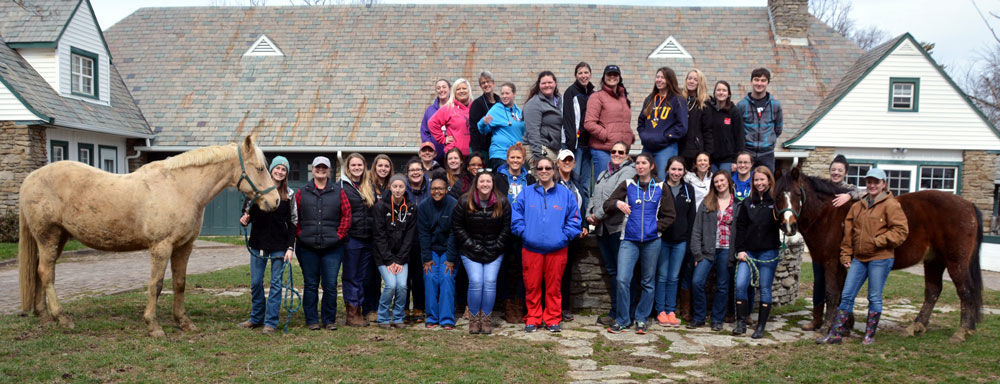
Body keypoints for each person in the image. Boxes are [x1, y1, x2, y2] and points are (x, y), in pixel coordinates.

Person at [818, 168, 908, 345]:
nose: (872, 185)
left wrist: (877, 241)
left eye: (876, 182)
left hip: (880, 258)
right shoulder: (858, 206)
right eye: (869, 182)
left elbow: (901, 231)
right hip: (859, 259)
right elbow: (848, 234)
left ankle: (869, 335)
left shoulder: (891, 205)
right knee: (847, 295)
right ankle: (836, 333)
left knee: (874, 297)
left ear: (884, 184)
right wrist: (846, 254)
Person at [604, 153, 676, 334]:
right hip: (629, 240)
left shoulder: (661, 186)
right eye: (637, 163)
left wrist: (655, 228)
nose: (640, 166)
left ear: (651, 166)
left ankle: (642, 319)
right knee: (622, 280)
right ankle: (622, 320)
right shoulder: (628, 184)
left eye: (644, 163)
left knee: (648, 282)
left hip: (652, 241)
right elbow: (607, 204)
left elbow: (670, 216)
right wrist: (618, 203)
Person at [512, 157, 583, 333]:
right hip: (531, 248)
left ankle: (552, 319)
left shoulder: (565, 194)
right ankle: (533, 318)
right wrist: (524, 233)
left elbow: (575, 220)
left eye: (548, 168)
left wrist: (564, 237)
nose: (544, 171)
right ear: (536, 171)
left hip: (557, 249)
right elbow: (516, 216)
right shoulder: (526, 193)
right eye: (540, 168)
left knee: (554, 287)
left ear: (554, 170)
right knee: (532, 286)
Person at [804, 154, 867, 331]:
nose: (836, 173)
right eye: (833, 170)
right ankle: (817, 317)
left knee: (840, 281)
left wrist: (849, 196)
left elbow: (866, 193)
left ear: (845, 172)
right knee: (819, 281)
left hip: (841, 241)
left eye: (840, 170)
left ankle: (842, 317)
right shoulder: (823, 188)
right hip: (822, 243)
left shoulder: (850, 189)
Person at [237, 155, 297, 334]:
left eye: (283, 169)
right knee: (256, 282)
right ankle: (256, 317)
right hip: (258, 243)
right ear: (271, 170)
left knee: (276, 284)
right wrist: (245, 219)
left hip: (280, 245)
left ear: (286, 174)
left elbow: (294, 222)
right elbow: (247, 213)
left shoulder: (290, 195)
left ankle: (271, 321)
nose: (279, 172)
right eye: (277, 168)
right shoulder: (257, 191)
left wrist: (290, 247)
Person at [295, 156, 352, 331]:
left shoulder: (338, 191)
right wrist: (301, 234)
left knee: (330, 285)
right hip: (307, 247)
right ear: (313, 170)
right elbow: (294, 217)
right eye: (317, 167)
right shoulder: (302, 192)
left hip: (332, 248)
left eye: (324, 167)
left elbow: (347, 216)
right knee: (311, 284)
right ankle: (312, 320)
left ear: (328, 170)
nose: (321, 170)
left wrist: (339, 235)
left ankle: (329, 320)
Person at [452, 172, 512, 335]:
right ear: (476, 184)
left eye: (488, 181)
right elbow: (457, 226)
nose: (485, 184)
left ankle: (486, 318)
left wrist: (497, 246)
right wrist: (471, 245)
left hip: (494, 250)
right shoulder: (465, 201)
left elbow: (506, 228)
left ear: (493, 184)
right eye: (482, 181)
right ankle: (474, 319)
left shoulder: (502, 202)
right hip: (471, 250)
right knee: (477, 281)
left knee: (490, 281)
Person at [586, 141, 637, 326]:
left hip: (618, 229)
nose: (616, 154)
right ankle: (616, 311)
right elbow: (594, 195)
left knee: (623, 275)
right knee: (613, 272)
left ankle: (625, 313)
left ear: (626, 154)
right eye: (613, 151)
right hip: (602, 230)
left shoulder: (628, 172)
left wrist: (597, 216)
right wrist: (589, 214)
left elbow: (615, 198)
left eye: (620, 151)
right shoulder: (603, 173)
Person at [731, 166, 781, 338]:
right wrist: (740, 250)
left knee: (765, 288)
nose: (759, 183)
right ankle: (741, 323)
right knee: (740, 285)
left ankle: (760, 326)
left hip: (769, 252)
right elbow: (741, 227)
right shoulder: (747, 202)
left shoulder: (776, 202)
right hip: (749, 252)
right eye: (756, 180)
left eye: (762, 179)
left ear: (769, 180)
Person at [494, 143, 535, 323]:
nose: (515, 161)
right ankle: (506, 303)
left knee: (522, 267)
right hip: (503, 229)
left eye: (519, 158)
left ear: (523, 160)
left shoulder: (531, 180)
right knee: (503, 268)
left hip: (524, 229)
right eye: (512, 157)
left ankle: (519, 302)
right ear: (507, 159)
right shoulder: (498, 178)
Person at [689, 170, 735, 330]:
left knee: (722, 286)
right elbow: (696, 230)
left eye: (722, 180)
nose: (719, 184)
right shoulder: (707, 202)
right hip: (707, 251)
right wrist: (697, 253)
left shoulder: (736, 205)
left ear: (728, 181)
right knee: (697, 282)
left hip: (727, 250)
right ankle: (699, 317)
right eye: (716, 182)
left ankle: (717, 319)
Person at [371, 174, 417, 329]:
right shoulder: (380, 207)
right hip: (384, 257)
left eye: (401, 187)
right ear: (390, 187)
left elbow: (409, 237)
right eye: (395, 186)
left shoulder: (411, 207)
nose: (398, 190)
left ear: (406, 188)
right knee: (391, 285)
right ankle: (383, 316)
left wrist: (399, 259)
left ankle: (398, 316)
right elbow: (379, 236)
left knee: (402, 286)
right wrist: (390, 260)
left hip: (402, 257)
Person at [655, 156, 696, 327]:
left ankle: (671, 310)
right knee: (662, 276)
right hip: (662, 240)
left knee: (673, 277)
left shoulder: (688, 190)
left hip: (680, 242)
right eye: (673, 169)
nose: (676, 173)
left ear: (684, 171)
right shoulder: (659, 187)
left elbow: (692, 217)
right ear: (667, 170)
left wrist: (689, 243)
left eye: (680, 170)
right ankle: (660, 311)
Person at [338, 153, 376, 327]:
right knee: (351, 276)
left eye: (360, 165)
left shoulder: (368, 186)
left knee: (361, 276)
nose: (357, 168)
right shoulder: (342, 187)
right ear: (348, 168)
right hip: (351, 239)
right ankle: (351, 313)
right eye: (353, 165)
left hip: (367, 239)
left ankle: (359, 309)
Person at [418, 177, 459, 330]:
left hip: (449, 250)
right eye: (434, 188)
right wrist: (427, 258)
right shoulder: (423, 206)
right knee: (430, 277)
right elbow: (423, 234)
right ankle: (431, 317)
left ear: (446, 189)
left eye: (440, 188)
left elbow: (454, 234)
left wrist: (450, 258)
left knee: (447, 277)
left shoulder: (453, 204)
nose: (437, 191)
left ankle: (447, 318)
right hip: (431, 250)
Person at [678, 152, 713, 322]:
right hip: (692, 225)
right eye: (699, 160)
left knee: (703, 271)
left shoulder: (714, 179)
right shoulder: (688, 179)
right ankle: (685, 309)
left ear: (709, 163)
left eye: (705, 160)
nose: (702, 163)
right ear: (695, 163)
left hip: (709, 226)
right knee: (688, 267)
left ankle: (701, 308)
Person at [637, 67, 688, 182]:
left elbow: (682, 127)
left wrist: (665, 137)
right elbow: (641, 122)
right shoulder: (650, 99)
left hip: (666, 148)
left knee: (661, 181)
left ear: (670, 80)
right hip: (647, 147)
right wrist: (644, 136)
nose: (659, 80)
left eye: (662, 77)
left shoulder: (678, 100)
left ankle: (661, 201)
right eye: (657, 77)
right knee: (642, 179)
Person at [556, 149, 588, 322]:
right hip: (557, 233)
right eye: (564, 160)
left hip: (573, 235)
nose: (567, 163)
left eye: (570, 160)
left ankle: (565, 307)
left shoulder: (577, 182)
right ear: (558, 163)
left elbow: (581, 205)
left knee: (567, 272)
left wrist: (584, 225)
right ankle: (553, 306)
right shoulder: (553, 182)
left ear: (574, 163)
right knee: (555, 272)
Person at [585, 65, 634, 174]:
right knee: (604, 184)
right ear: (604, 77)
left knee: (620, 187)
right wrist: (606, 136)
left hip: (621, 151)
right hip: (603, 150)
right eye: (609, 74)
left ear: (619, 78)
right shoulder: (596, 97)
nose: (612, 77)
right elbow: (589, 123)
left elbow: (624, 122)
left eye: (615, 74)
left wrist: (630, 136)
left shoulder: (623, 98)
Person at [363, 154, 393, 321]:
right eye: (380, 166)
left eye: (386, 166)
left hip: (389, 238)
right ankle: (370, 308)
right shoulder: (367, 186)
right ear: (374, 167)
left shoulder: (393, 185)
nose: (383, 169)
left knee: (388, 277)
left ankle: (384, 308)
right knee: (370, 276)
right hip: (370, 237)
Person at [736, 68, 783, 172]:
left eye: (763, 80)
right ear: (751, 81)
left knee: (766, 184)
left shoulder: (775, 105)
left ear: (767, 83)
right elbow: (737, 130)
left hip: (767, 154)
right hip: (747, 153)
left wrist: (768, 141)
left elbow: (778, 129)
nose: (759, 83)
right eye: (756, 80)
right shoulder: (741, 105)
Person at [563, 62, 595, 212]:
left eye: (586, 72)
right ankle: (572, 216)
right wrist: (570, 145)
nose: (583, 75)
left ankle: (585, 218)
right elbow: (568, 119)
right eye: (580, 73)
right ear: (576, 75)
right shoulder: (570, 92)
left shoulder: (594, 93)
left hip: (588, 145)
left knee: (586, 184)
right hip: (574, 145)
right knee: (573, 182)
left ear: (590, 74)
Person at [404, 158, 430, 322]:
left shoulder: (429, 190)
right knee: (405, 276)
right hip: (404, 240)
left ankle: (420, 307)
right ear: (408, 173)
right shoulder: (402, 190)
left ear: (423, 172)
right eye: (412, 170)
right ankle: (404, 308)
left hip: (423, 239)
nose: (415, 172)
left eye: (418, 169)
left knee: (420, 275)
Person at [477, 82, 525, 170]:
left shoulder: (518, 111)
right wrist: (483, 123)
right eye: (502, 93)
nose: (504, 96)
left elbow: (523, 131)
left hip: (516, 155)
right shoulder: (496, 109)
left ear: (514, 94)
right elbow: (483, 130)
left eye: (507, 93)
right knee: (503, 180)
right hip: (500, 154)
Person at [523, 71, 564, 163]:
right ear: (539, 85)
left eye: (550, 82)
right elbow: (533, 131)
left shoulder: (559, 100)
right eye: (544, 83)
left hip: (554, 149)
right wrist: (539, 157)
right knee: (544, 176)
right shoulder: (534, 104)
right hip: (539, 148)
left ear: (555, 83)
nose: (547, 85)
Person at [706, 81, 744, 173]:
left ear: (729, 94)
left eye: (724, 90)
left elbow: (739, 137)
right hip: (711, 159)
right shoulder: (708, 109)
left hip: (728, 160)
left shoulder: (734, 112)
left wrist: (736, 160)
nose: (721, 92)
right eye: (718, 90)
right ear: (714, 93)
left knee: (725, 184)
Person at [429, 78, 473, 156]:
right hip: (454, 155)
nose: (461, 91)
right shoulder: (449, 108)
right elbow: (432, 123)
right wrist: (443, 139)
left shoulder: (475, 107)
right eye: (458, 89)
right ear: (454, 92)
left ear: (469, 90)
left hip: (472, 154)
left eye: (464, 88)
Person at [678, 69, 711, 168]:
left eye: (695, 80)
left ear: (700, 83)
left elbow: (707, 130)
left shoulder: (705, 103)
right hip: (678, 148)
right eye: (689, 78)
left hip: (695, 151)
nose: (691, 81)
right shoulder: (679, 99)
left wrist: (707, 154)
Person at [468, 71, 500, 159]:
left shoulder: (500, 102)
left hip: (498, 148)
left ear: (493, 83)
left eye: (488, 81)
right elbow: (473, 129)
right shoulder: (477, 104)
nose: (486, 84)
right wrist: (476, 153)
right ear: (481, 86)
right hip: (482, 149)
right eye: (483, 83)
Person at [420, 79, 450, 163]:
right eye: (438, 88)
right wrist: (430, 148)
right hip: (435, 157)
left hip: (452, 156)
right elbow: (425, 131)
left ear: (450, 89)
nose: (441, 90)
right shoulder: (430, 110)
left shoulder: (456, 108)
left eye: (444, 87)